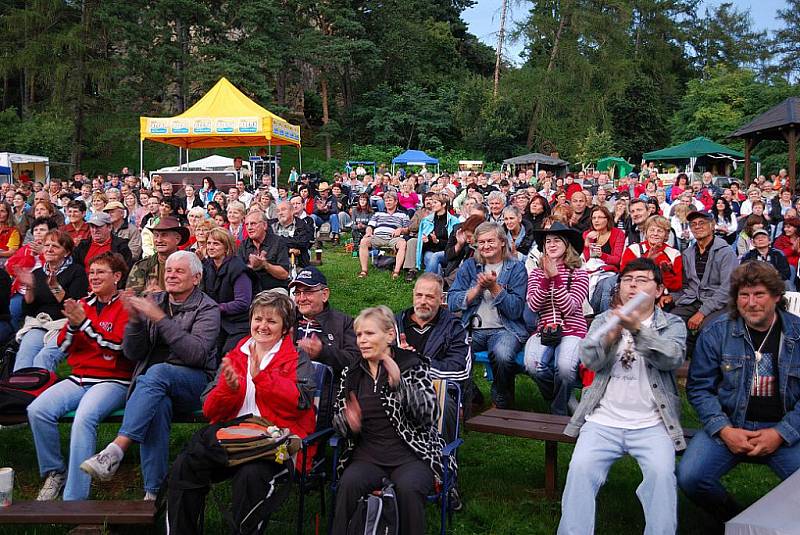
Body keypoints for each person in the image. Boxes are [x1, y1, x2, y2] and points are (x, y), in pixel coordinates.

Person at [165, 291, 316, 534]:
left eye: (271, 321)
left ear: (285, 328)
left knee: (251, 476)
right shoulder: (235, 355)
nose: (263, 326)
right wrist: (228, 389)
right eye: (258, 319)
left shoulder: (296, 358)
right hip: (233, 443)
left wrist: (262, 378)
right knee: (185, 466)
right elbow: (209, 409)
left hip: (272, 447)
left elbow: (302, 402)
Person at [558, 258, 687, 535]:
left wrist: (638, 329)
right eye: (627, 280)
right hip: (603, 420)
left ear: (659, 290)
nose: (632, 285)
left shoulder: (672, 323)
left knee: (662, 476)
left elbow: (672, 358)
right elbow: (589, 360)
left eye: (641, 280)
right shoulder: (605, 319)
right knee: (579, 469)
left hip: (653, 423)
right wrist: (611, 334)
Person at [81, 251, 221, 499]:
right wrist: (134, 322)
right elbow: (134, 353)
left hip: (195, 383)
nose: (171, 275)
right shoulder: (154, 299)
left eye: (179, 271)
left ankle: (117, 448)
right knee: (157, 405)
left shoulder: (207, 308)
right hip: (152, 386)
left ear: (196, 278)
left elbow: (196, 355)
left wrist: (160, 319)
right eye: (168, 270)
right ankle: (153, 493)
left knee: (158, 372)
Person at [678, 261, 800, 527]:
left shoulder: (797, 333)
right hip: (731, 424)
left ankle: (774, 524)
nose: (751, 302)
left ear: (777, 296)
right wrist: (724, 430)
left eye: (759, 294)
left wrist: (781, 433)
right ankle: (738, 522)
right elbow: (699, 388)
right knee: (691, 476)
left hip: (783, 428)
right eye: (744, 295)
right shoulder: (716, 331)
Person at [331, 306, 450, 535]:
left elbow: (430, 414)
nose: (362, 341)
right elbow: (338, 418)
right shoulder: (352, 372)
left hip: (411, 455)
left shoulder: (411, 365)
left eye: (369, 334)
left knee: (408, 488)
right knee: (349, 484)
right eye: (359, 335)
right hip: (368, 456)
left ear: (389, 335)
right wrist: (348, 422)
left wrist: (400, 385)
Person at [27, 253, 132, 501]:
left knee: (84, 418)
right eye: (92, 272)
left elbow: (118, 347)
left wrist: (85, 325)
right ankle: (55, 472)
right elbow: (63, 347)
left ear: (117, 276)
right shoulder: (82, 304)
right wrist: (75, 325)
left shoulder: (127, 305)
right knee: (37, 409)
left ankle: (74, 500)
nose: (94, 277)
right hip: (80, 376)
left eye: (101, 272)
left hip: (113, 379)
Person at [448, 222, 528, 408]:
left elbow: (516, 310)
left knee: (503, 355)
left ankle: (500, 400)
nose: (485, 246)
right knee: (450, 351)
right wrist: (476, 289)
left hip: (505, 329)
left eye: (490, 241)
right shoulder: (469, 266)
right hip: (472, 328)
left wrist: (494, 288)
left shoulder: (516, 269)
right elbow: (452, 302)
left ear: (502, 242)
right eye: (481, 242)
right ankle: (473, 395)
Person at [524, 222, 590, 415]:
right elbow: (534, 305)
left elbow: (569, 308)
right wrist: (547, 278)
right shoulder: (536, 273)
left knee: (564, 367)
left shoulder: (579, 274)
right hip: (545, 329)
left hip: (572, 329)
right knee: (532, 366)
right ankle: (565, 396)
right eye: (547, 241)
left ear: (567, 245)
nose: (551, 245)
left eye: (557, 241)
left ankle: (558, 409)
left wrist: (557, 278)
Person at [14, 229, 89, 371]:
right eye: (46, 245)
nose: (48, 249)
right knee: (25, 353)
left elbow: (73, 308)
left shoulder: (76, 271)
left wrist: (55, 287)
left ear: (66, 253)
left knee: (44, 357)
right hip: (40, 323)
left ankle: (40, 391)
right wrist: (29, 287)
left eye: (55, 246)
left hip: (64, 325)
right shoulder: (37, 273)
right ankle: (19, 391)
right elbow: (28, 309)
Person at [671, 211, 738, 357]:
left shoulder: (726, 252)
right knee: (671, 322)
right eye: (693, 224)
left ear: (712, 226)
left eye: (701, 223)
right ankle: (682, 359)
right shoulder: (687, 253)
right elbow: (684, 285)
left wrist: (702, 312)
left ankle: (705, 362)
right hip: (692, 300)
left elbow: (727, 289)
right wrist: (671, 297)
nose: (697, 227)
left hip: (719, 303)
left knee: (707, 327)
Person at [290, 266, 359, 380]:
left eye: (308, 292)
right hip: (287, 387)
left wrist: (322, 352)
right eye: (297, 293)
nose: (301, 299)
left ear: (325, 295)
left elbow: (354, 360)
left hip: (328, 390)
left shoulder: (344, 322)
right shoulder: (287, 320)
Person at [203, 227, 254, 357]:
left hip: (238, 324)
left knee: (227, 353)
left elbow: (243, 303)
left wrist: (216, 308)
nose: (211, 247)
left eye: (216, 243)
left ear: (226, 247)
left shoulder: (238, 268)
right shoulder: (207, 266)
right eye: (209, 243)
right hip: (216, 321)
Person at [620, 215, 684, 303]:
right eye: (652, 230)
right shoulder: (633, 249)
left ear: (666, 235)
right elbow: (625, 276)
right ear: (646, 232)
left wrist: (666, 272)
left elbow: (677, 286)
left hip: (661, 297)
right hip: (634, 295)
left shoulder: (674, 254)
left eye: (660, 231)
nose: (655, 234)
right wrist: (647, 262)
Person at [126, 216, 189, 295]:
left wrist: (162, 296)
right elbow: (130, 298)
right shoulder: (143, 266)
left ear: (177, 239)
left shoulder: (188, 265)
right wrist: (147, 295)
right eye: (156, 235)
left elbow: (194, 297)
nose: (158, 240)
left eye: (164, 235)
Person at [357, 191, 410, 279]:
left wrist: (400, 229)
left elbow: (407, 229)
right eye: (386, 201)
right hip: (378, 237)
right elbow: (370, 226)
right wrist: (369, 232)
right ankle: (364, 271)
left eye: (390, 200)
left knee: (403, 243)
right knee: (364, 241)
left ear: (396, 202)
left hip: (393, 238)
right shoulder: (378, 213)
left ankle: (396, 272)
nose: (388, 202)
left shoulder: (403, 214)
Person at [582, 206, 625, 314]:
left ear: (607, 219)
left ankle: (599, 316)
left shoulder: (618, 233)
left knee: (603, 285)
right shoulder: (587, 234)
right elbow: (587, 261)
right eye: (594, 218)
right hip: (591, 270)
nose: (596, 220)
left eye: (600, 217)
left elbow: (616, 260)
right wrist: (587, 242)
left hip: (610, 271)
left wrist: (601, 255)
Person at [238, 209, 291, 293]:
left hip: (275, 289)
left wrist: (265, 265)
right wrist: (251, 267)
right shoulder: (243, 245)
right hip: (251, 289)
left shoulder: (278, 242)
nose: (249, 228)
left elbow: (284, 274)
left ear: (265, 225)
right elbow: (238, 272)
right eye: (246, 224)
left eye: (253, 224)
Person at [415, 193, 459, 275]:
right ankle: (438, 282)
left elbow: (454, 244)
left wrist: (438, 241)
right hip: (430, 251)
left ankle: (426, 283)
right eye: (432, 202)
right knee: (435, 263)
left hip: (446, 253)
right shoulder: (426, 221)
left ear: (444, 204)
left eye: (435, 202)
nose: (432, 204)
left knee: (435, 257)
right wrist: (427, 241)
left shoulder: (454, 221)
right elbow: (421, 246)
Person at [270, 200, 314, 268]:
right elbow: (267, 243)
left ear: (292, 211)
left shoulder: (302, 225)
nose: (280, 213)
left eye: (283, 210)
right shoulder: (270, 225)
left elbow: (301, 242)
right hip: (273, 265)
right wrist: (288, 250)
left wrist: (276, 240)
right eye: (278, 211)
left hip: (298, 264)